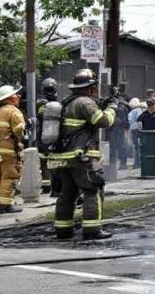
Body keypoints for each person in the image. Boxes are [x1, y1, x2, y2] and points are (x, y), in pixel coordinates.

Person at [49, 69, 116, 240]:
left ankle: (63, 231)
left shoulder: (65, 103)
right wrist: (112, 108)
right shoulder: (85, 102)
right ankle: (92, 230)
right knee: (92, 190)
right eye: (94, 87)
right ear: (91, 87)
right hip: (84, 157)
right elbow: (103, 121)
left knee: (67, 193)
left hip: (64, 158)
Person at [0, 85, 25, 213]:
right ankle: (5, 204)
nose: (18, 97)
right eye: (15, 95)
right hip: (8, 151)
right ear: (10, 98)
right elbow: (19, 130)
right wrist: (20, 141)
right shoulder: (13, 111)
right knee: (10, 176)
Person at [37, 78, 60, 197]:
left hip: (42, 138)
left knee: (45, 162)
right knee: (54, 162)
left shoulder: (40, 103)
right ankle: (54, 187)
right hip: (54, 137)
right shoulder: (57, 103)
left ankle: (47, 186)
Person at [107, 86, 130, 171]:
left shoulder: (120, 107)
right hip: (116, 129)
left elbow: (122, 121)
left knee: (120, 145)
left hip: (119, 129)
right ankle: (121, 162)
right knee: (118, 146)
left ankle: (123, 163)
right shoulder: (119, 105)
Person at [127, 97, 144, 168]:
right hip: (136, 130)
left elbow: (138, 121)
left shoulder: (135, 111)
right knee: (137, 147)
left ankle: (137, 163)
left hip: (135, 130)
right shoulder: (138, 110)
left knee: (136, 147)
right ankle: (137, 162)